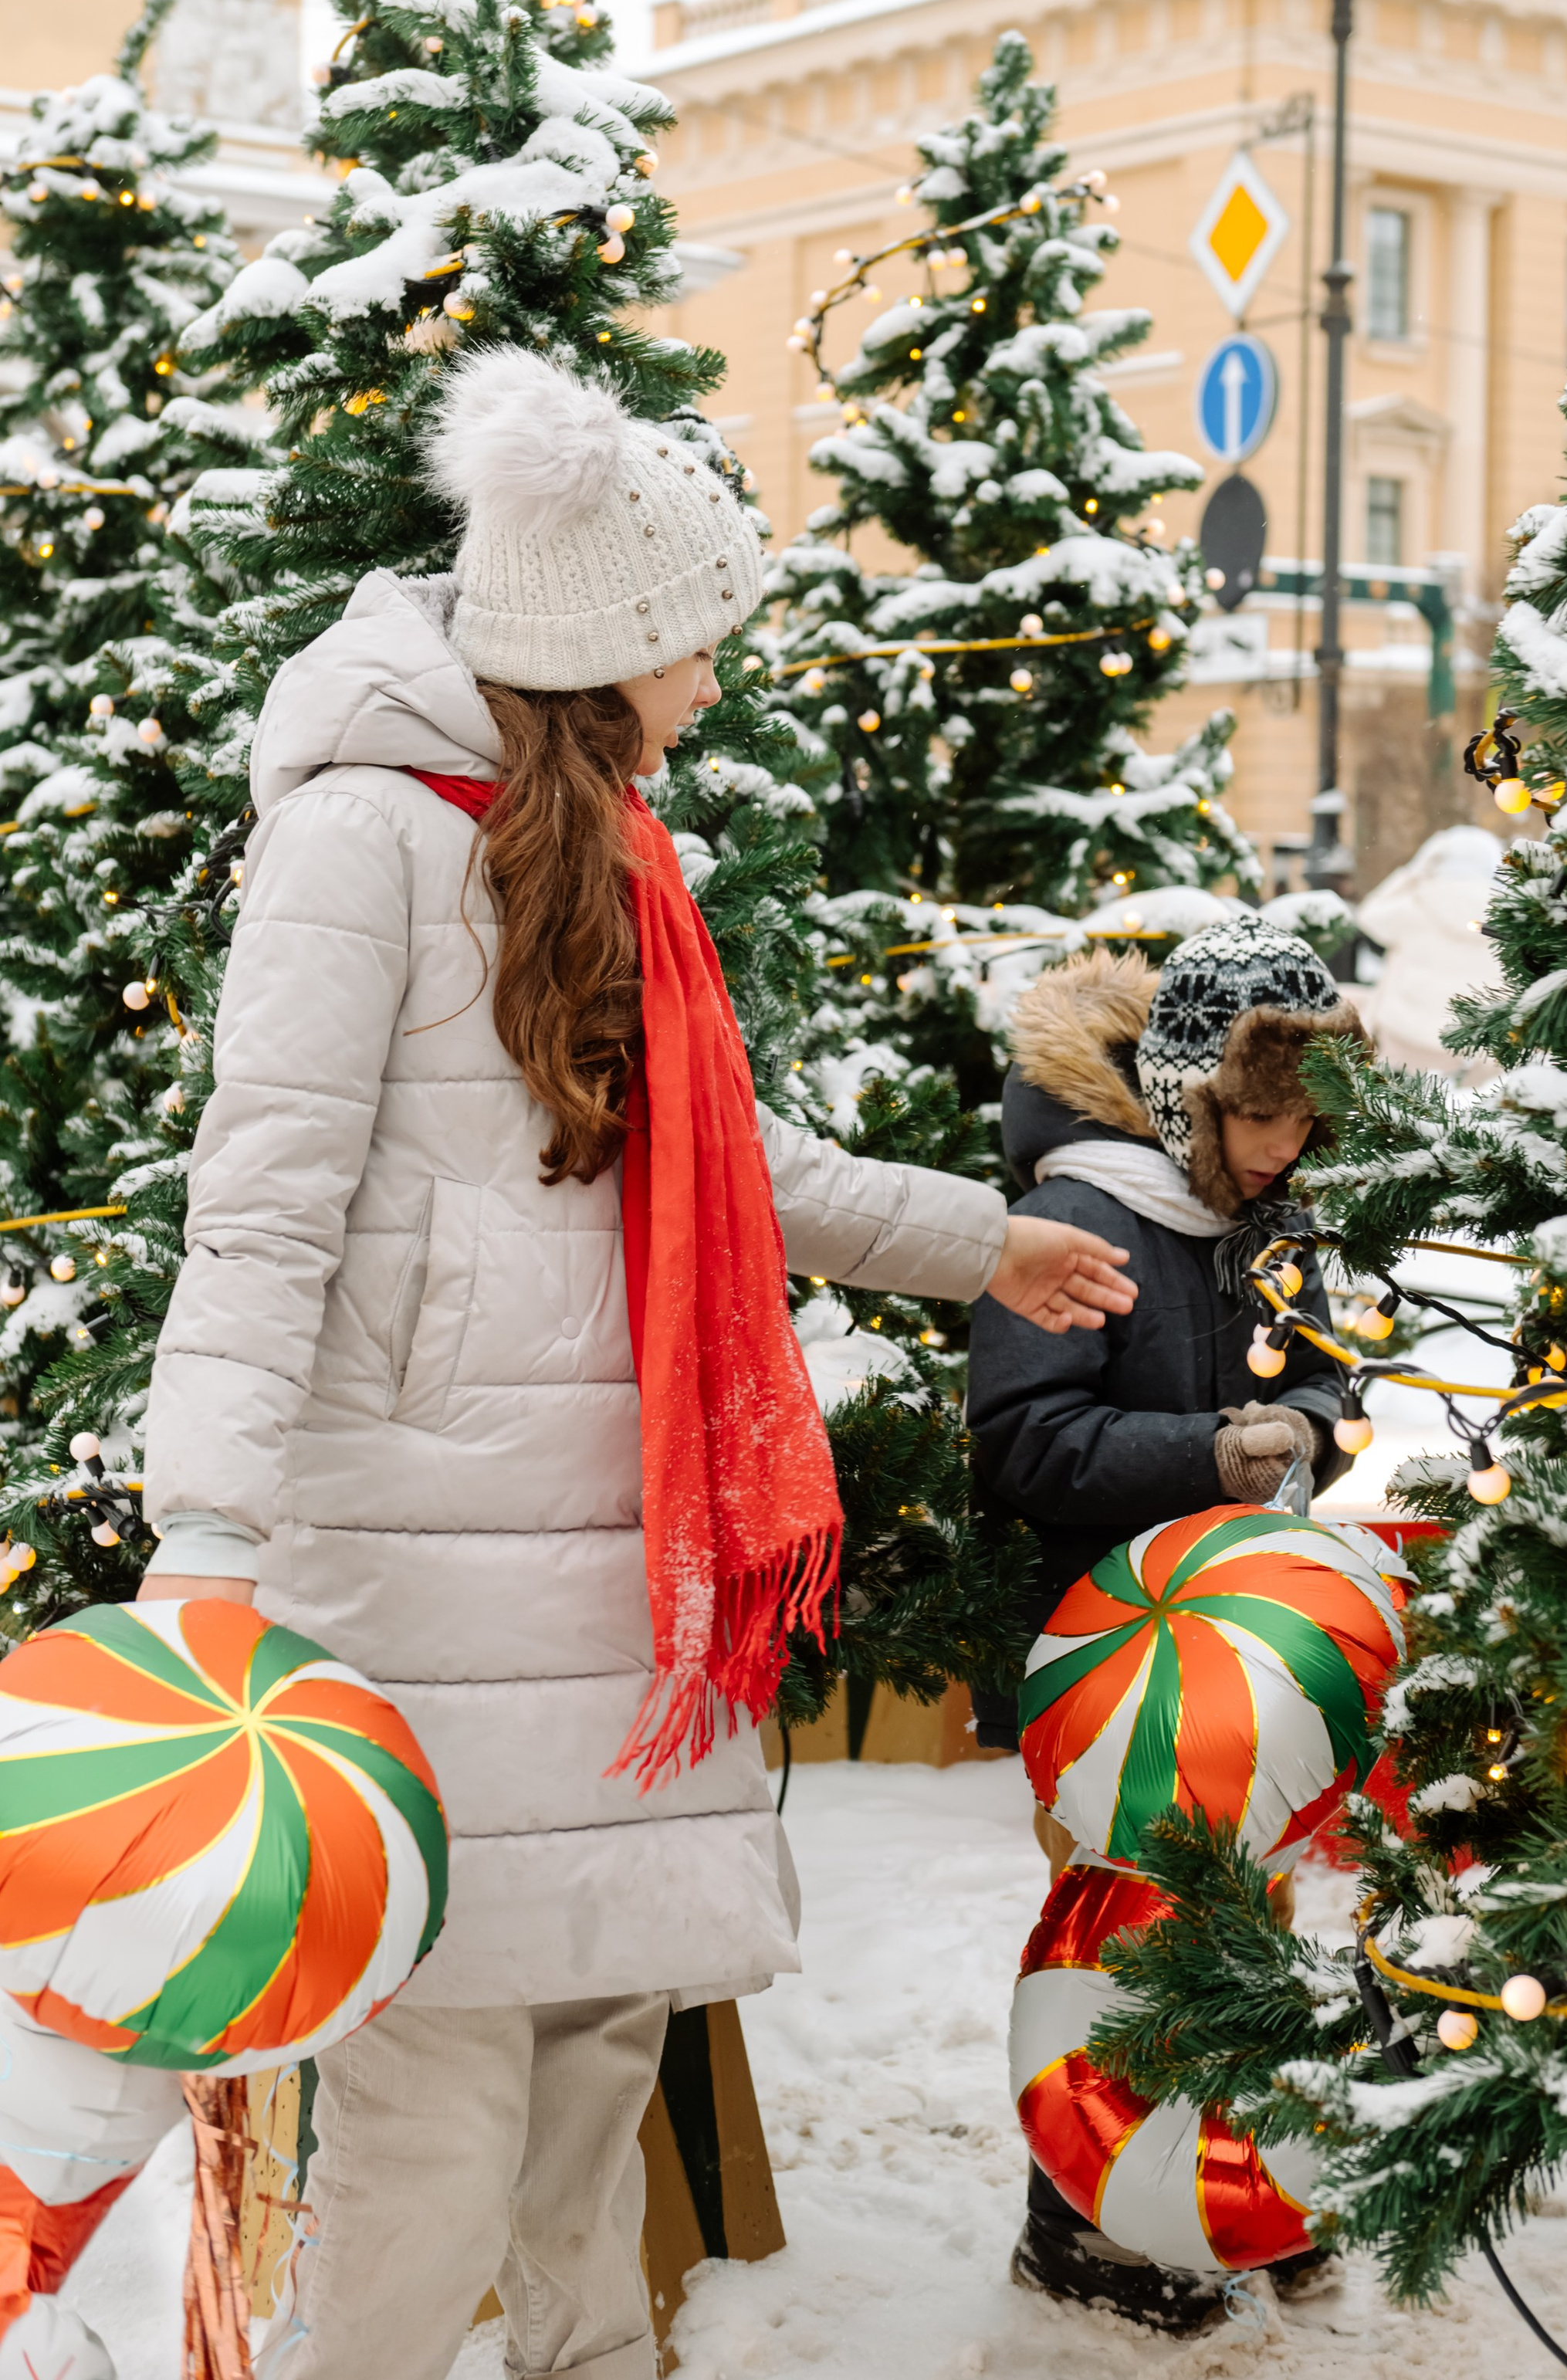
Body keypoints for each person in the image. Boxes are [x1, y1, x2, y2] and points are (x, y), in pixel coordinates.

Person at [137, 348, 1133, 2380]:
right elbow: (263, 1198)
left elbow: (724, 1159)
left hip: (620, 1561)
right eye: (694, 649)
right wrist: (208, 1524)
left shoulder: (620, 857)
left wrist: (982, 1240)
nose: (711, 687)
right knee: (439, 2106)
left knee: (599, 2060)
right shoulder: (363, 839)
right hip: (420, 1560)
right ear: (605, 649)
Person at [966, 919, 1360, 2331]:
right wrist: (1213, 1453)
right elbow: (1023, 1438)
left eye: (1307, 1114)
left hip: (1242, 1648)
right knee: (1117, 1935)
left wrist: (1306, 1429)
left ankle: (1221, 2192)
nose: (1282, 1142)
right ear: (1195, 1093)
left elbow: (1327, 1382)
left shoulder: (1273, 1214)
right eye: (1258, 1111)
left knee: (1242, 1916)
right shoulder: (1090, 1213)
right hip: (1111, 1656)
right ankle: (1077, 2224)